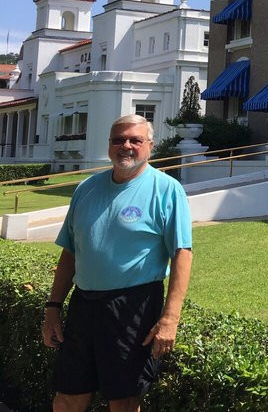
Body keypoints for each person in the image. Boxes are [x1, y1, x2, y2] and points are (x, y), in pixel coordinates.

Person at [42, 114, 193, 412]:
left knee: (123, 401)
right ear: (109, 145)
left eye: (135, 140)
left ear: (150, 145)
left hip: (133, 306)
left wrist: (170, 318)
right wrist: (53, 308)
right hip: (84, 304)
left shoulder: (167, 190)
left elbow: (182, 253)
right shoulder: (86, 188)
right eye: (118, 140)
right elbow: (70, 252)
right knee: (67, 396)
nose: (126, 145)